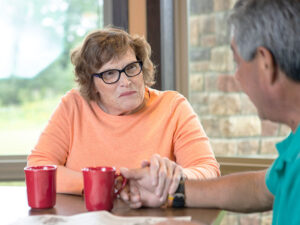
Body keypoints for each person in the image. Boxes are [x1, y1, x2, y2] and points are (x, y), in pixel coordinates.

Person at [121, 0, 300, 224]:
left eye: (237, 63)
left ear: (265, 62)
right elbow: (260, 188)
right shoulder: (295, 149)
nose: (237, 77)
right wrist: (170, 192)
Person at [27, 27, 220, 200]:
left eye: (130, 68)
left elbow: (208, 170)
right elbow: (38, 167)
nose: (126, 81)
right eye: (109, 73)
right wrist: (111, 185)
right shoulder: (74, 105)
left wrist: (175, 178)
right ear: (92, 84)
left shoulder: (173, 106)